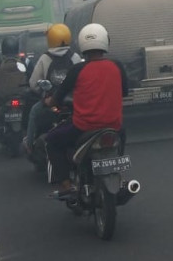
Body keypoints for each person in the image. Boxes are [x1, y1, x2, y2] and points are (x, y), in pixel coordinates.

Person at [43, 23, 128, 197]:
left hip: (83, 126)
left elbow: (58, 96)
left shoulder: (77, 69)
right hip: (114, 125)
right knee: (122, 135)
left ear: (82, 44)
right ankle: (117, 171)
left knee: (51, 140)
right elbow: (124, 92)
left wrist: (48, 101)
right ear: (106, 41)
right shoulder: (117, 66)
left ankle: (67, 186)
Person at [24, 24, 82, 153]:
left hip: (52, 101)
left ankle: (29, 145)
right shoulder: (75, 57)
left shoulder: (45, 58)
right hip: (74, 102)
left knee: (34, 112)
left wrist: (42, 93)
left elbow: (34, 83)